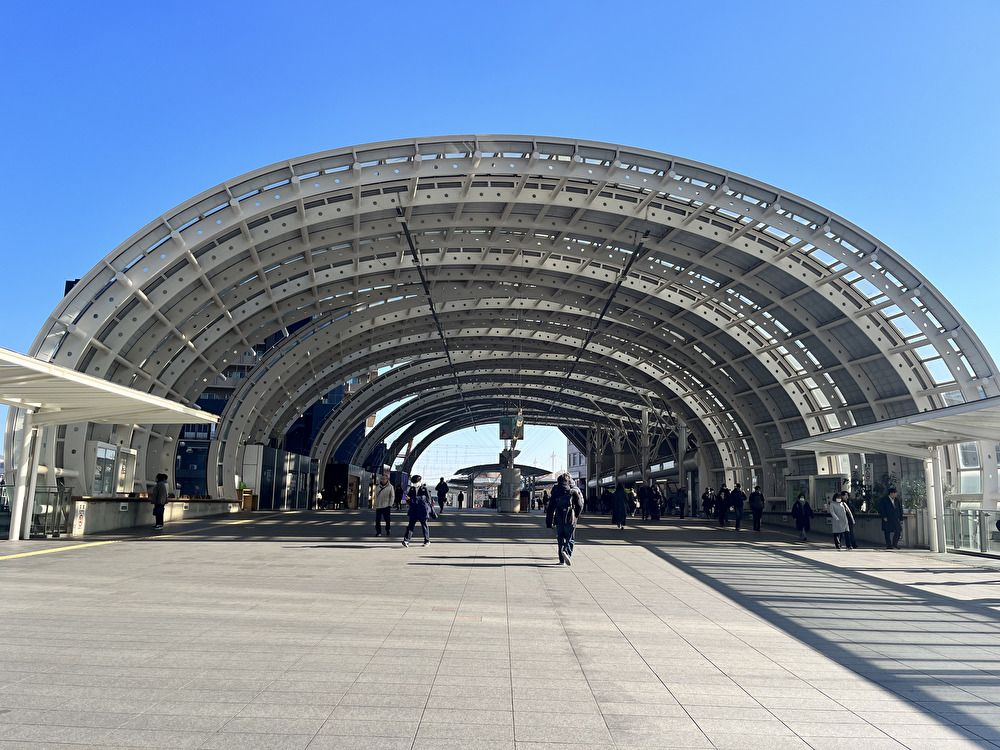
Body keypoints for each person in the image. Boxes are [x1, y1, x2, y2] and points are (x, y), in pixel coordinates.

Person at [546, 473, 584, 565]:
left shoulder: (556, 490)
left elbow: (550, 507)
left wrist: (549, 521)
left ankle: (561, 560)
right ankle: (566, 552)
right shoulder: (574, 490)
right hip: (570, 518)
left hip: (559, 517)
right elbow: (580, 505)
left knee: (560, 537)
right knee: (570, 538)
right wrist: (576, 515)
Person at [402, 482, 435, 547]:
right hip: (414, 510)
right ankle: (406, 540)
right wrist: (407, 499)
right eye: (414, 483)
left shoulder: (424, 489)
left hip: (422, 510)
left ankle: (427, 541)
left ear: (419, 482)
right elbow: (409, 499)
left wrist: (412, 499)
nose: (415, 484)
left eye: (416, 482)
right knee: (410, 525)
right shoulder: (412, 489)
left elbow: (427, 499)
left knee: (424, 525)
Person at [373, 467, 393, 537]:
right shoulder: (378, 487)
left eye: (384, 479)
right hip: (379, 506)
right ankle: (378, 532)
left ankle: (388, 529)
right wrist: (375, 505)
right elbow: (375, 496)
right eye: (382, 479)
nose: (383, 480)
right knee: (377, 520)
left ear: (387, 479)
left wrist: (390, 504)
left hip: (386, 506)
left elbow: (392, 496)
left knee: (387, 519)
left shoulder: (390, 487)